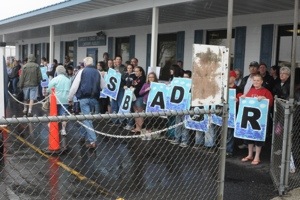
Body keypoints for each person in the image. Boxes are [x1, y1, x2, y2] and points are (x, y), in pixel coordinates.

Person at [68, 57, 106, 148]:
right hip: (94, 98)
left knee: (87, 119)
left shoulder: (82, 71)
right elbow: (104, 85)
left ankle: (92, 141)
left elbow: (75, 86)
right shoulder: (97, 72)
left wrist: (70, 98)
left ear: (85, 64)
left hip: (84, 97)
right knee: (86, 117)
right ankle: (82, 135)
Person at [240, 74, 273, 165]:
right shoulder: (250, 90)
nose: (256, 82)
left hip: (260, 120)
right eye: (254, 80)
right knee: (249, 136)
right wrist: (243, 97)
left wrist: (264, 98)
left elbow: (270, 103)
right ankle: (250, 154)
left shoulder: (266, 91)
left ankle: (257, 156)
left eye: (258, 80)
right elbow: (246, 101)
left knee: (258, 137)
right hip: (250, 119)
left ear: (262, 81)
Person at [47, 65, 71, 136]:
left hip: (56, 99)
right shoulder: (68, 80)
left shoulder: (55, 79)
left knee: (55, 113)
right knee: (64, 115)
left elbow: (49, 89)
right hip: (65, 99)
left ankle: (53, 126)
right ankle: (63, 130)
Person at [170, 70, 192, 147]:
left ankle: (184, 141)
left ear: (190, 78)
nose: (185, 78)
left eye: (187, 77)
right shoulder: (180, 84)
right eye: (184, 77)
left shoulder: (191, 86)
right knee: (177, 124)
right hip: (179, 107)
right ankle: (177, 139)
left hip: (186, 108)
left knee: (185, 125)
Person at [131, 66, 146, 133]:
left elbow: (139, 87)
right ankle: (137, 127)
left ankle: (140, 128)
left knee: (139, 112)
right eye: (135, 71)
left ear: (141, 72)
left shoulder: (143, 79)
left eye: (137, 71)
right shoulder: (135, 78)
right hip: (134, 97)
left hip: (140, 97)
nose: (135, 73)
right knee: (135, 112)